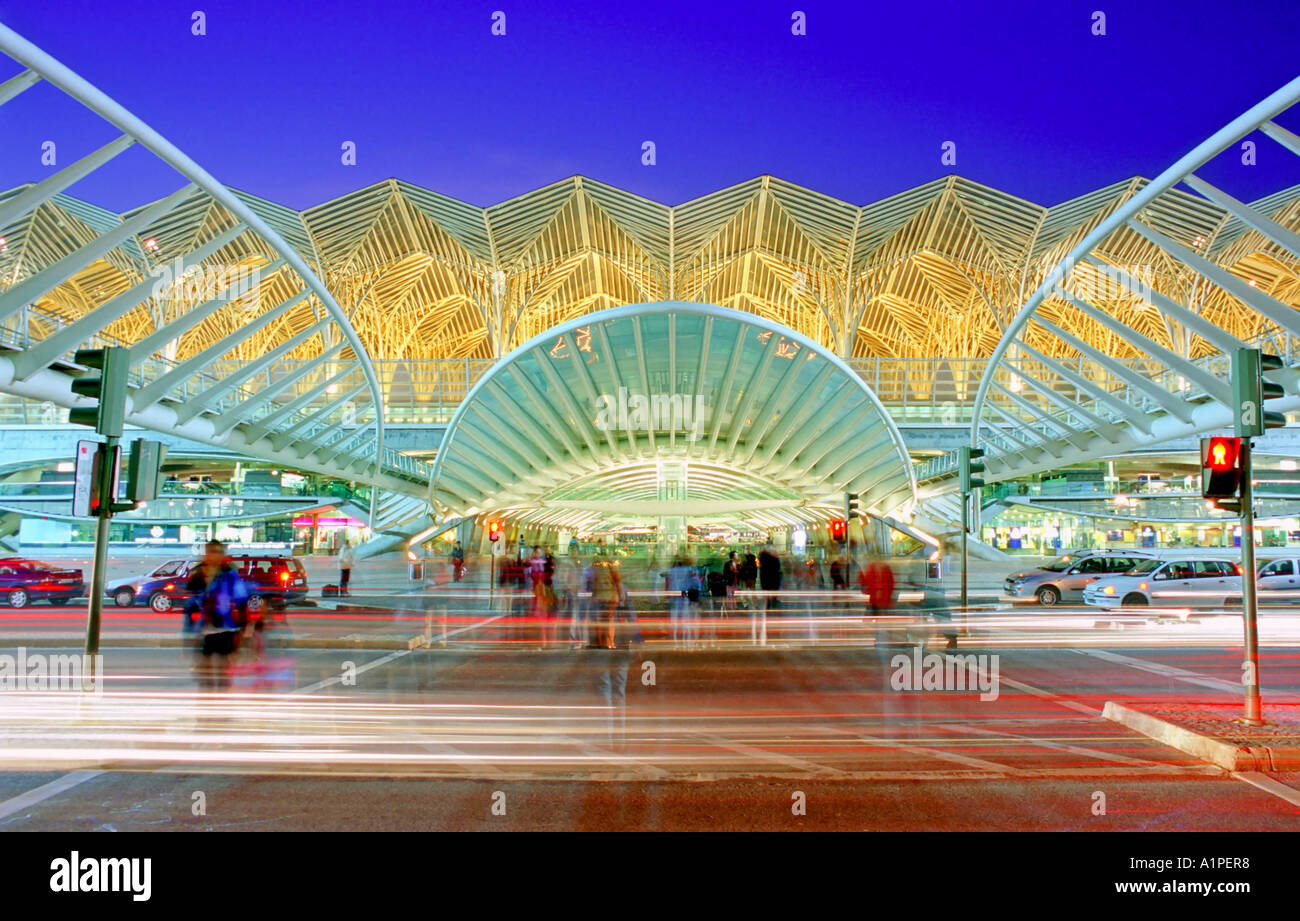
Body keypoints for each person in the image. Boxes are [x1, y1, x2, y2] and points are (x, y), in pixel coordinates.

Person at [186, 539, 250, 690]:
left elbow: (241, 601)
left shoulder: (229, 576)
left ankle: (222, 702)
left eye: (219, 552)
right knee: (204, 673)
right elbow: (192, 603)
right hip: (203, 630)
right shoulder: (198, 574)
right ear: (206, 554)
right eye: (212, 552)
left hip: (225, 629)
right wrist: (189, 629)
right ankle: (207, 703)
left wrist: (244, 628)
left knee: (223, 672)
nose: (216, 555)